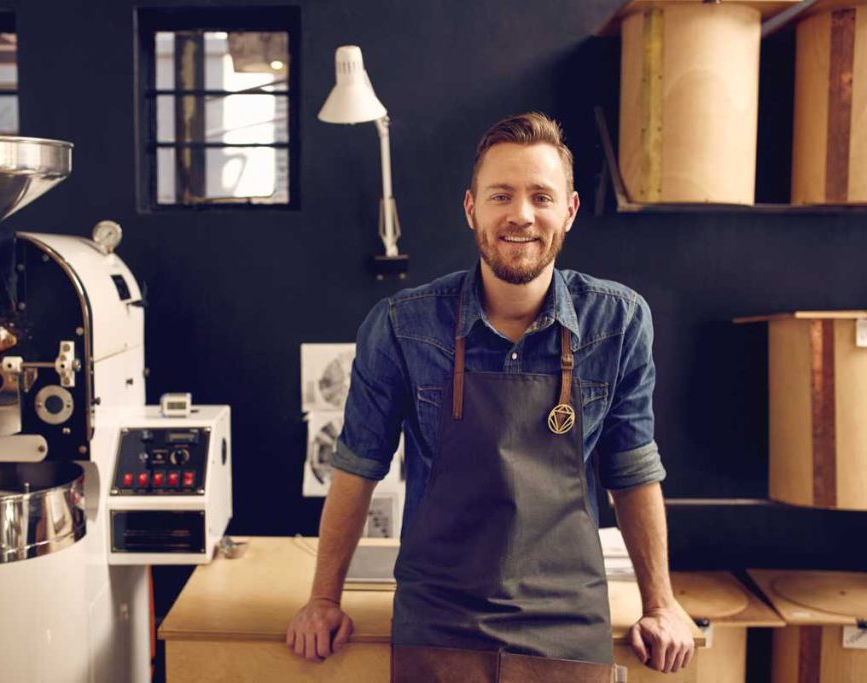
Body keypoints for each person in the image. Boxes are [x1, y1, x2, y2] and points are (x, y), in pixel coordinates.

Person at [286, 112, 695, 680]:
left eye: (541, 196)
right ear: (471, 207)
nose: (521, 215)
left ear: (569, 211)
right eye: (501, 194)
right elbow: (357, 467)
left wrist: (661, 604)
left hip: (566, 622)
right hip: (437, 618)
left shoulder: (619, 321)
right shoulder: (402, 325)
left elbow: (631, 471)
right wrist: (324, 599)